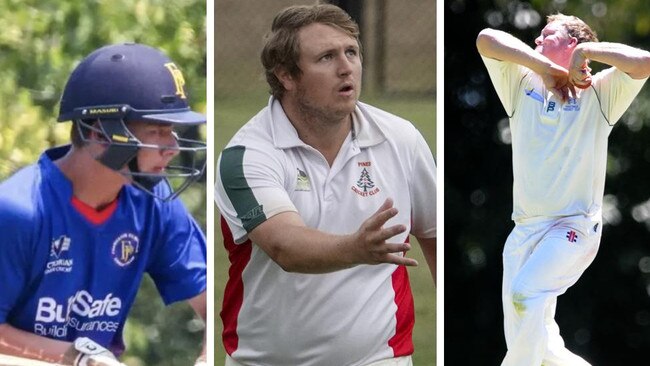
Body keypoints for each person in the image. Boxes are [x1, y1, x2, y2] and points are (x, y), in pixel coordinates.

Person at [214, 4, 436, 366]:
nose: (346, 67)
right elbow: (286, 246)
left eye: (351, 52)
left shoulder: (400, 139)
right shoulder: (246, 155)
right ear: (286, 75)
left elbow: (435, 235)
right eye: (326, 57)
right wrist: (357, 247)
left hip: (380, 358)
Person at [0, 43, 208, 366]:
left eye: (172, 131)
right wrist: (76, 357)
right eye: (156, 131)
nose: (172, 147)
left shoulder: (152, 202)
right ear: (100, 133)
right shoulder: (19, 209)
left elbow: (219, 304)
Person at [476, 13, 650, 365]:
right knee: (541, 344)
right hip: (524, 229)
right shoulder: (521, 81)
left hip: (573, 227)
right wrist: (545, 68)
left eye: (547, 33)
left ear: (572, 41)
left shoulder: (600, 93)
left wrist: (586, 52)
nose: (537, 39)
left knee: (526, 294)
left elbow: (644, 63)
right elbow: (486, 39)